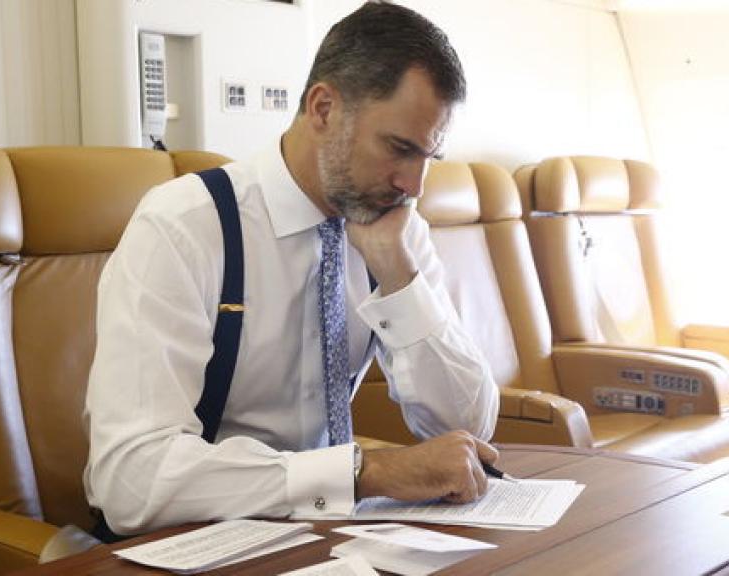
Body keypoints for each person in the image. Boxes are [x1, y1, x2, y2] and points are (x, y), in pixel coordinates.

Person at [83, 1, 499, 536]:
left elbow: (467, 429)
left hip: (323, 534)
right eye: (399, 149)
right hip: (195, 541)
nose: (413, 186)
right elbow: (130, 479)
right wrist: (361, 473)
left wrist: (397, 271)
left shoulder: (393, 225)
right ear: (323, 108)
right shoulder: (185, 226)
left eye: (428, 158)